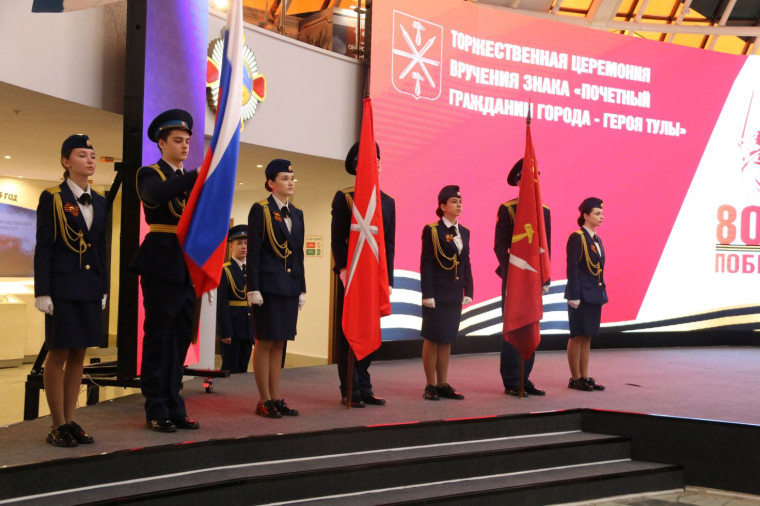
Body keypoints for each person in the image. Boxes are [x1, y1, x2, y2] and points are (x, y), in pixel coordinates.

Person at [33, 134, 108, 447]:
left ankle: (70, 418)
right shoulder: (53, 197)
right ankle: (57, 423)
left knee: (79, 353)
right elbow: (44, 246)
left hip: (88, 287)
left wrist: (103, 287)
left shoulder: (100, 201)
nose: (89, 160)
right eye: (81, 155)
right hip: (62, 286)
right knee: (58, 353)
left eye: (92, 155)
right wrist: (43, 291)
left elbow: (100, 249)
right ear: (66, 162)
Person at [130, 109, 200, 432]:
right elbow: (156, 196)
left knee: (181, 339)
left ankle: (174, 402)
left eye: (187, 141)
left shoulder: (189, 180)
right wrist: (195, 176)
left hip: (187, 265)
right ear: (162, 143)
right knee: (159, 338)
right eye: (178, 140)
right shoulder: (150, 174)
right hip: (161, 263)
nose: (184, 145)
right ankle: (156, 406)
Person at [331, 141, 396, 408]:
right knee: (349, 333)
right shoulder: (345, 197)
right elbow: (337, 238)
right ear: (358, 165)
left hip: (374, 278)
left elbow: (388, 245)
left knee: (369, 331)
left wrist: (388, 279)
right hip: (352, 277)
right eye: (371, 160)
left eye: (378, 160)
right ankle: (350, 388)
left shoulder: (388, 202)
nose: (376, 164)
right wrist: (343, 269)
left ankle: (365, 386)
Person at [247, 159, 306, 418]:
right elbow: (254, 252)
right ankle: (264, 399)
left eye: (292, 178)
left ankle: (276, 397)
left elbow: (298, 255)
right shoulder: (261, 209)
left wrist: (302, 287)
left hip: (289, 286)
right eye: (284, 178)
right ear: (271, 183)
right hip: (268, 287)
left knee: (280, 342)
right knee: (265, 341)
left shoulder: (298, 213)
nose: (290, 182)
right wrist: (253, 288)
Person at [494, 158, 551, 397]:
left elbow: (546, 248)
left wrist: (545, 278)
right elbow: (500, 247)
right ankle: (511, 380)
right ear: (519, 182)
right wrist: (514, 273)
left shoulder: (544, 211)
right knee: (514, 326)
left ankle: (524, 378)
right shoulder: (508, 209)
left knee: (531, 325)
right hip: (515, 279)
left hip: (534, 279)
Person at [419, 185, 473, 401]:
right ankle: (430, 384)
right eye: (453, 202)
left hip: (454, 292)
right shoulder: (432, 230)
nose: (459, 205)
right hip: (437, 293)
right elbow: (426, 264)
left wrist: (469, 289)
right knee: (433, 338)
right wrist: (427, 293)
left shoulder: (464, 231)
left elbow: (465, 262)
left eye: (460, 202)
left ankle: (442, 383)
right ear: (442, 206)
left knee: (447, 339)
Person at [564, 197, 607, 392]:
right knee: (577, 336)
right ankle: (575, 378)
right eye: (597, 213)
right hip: (580, 295)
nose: (601, 217)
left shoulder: (596, 239)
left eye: (602, 213)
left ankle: (585, 376)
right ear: (585, 215)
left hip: (594, 293)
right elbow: (572, 268)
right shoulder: (578, 237)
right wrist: (573, 295)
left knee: (588, 336)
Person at [217, 224, 253, 373]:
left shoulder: (251, 270)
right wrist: (225, 332)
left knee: (243, 369)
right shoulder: (225, 270)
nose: (244, 247)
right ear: (231, 246)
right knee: (230, 369)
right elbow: (221, 305)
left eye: (246, 243)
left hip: (248, 329)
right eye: (239, 243)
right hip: (233, 329)